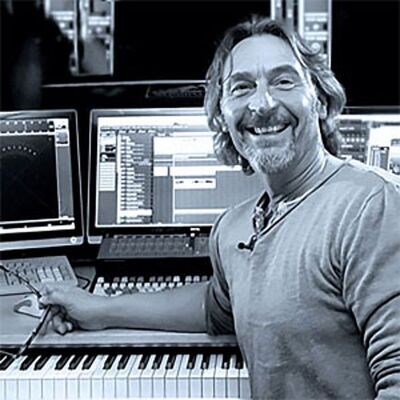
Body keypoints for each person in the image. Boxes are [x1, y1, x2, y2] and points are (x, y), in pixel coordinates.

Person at [40, 15, 400, 399]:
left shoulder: (371, 206)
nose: (262, 104)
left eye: (283, 81)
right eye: (241, 87)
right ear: (222, 115)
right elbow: (215, 306)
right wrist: (99, 309)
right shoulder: (235, 227)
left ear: (321, 101)